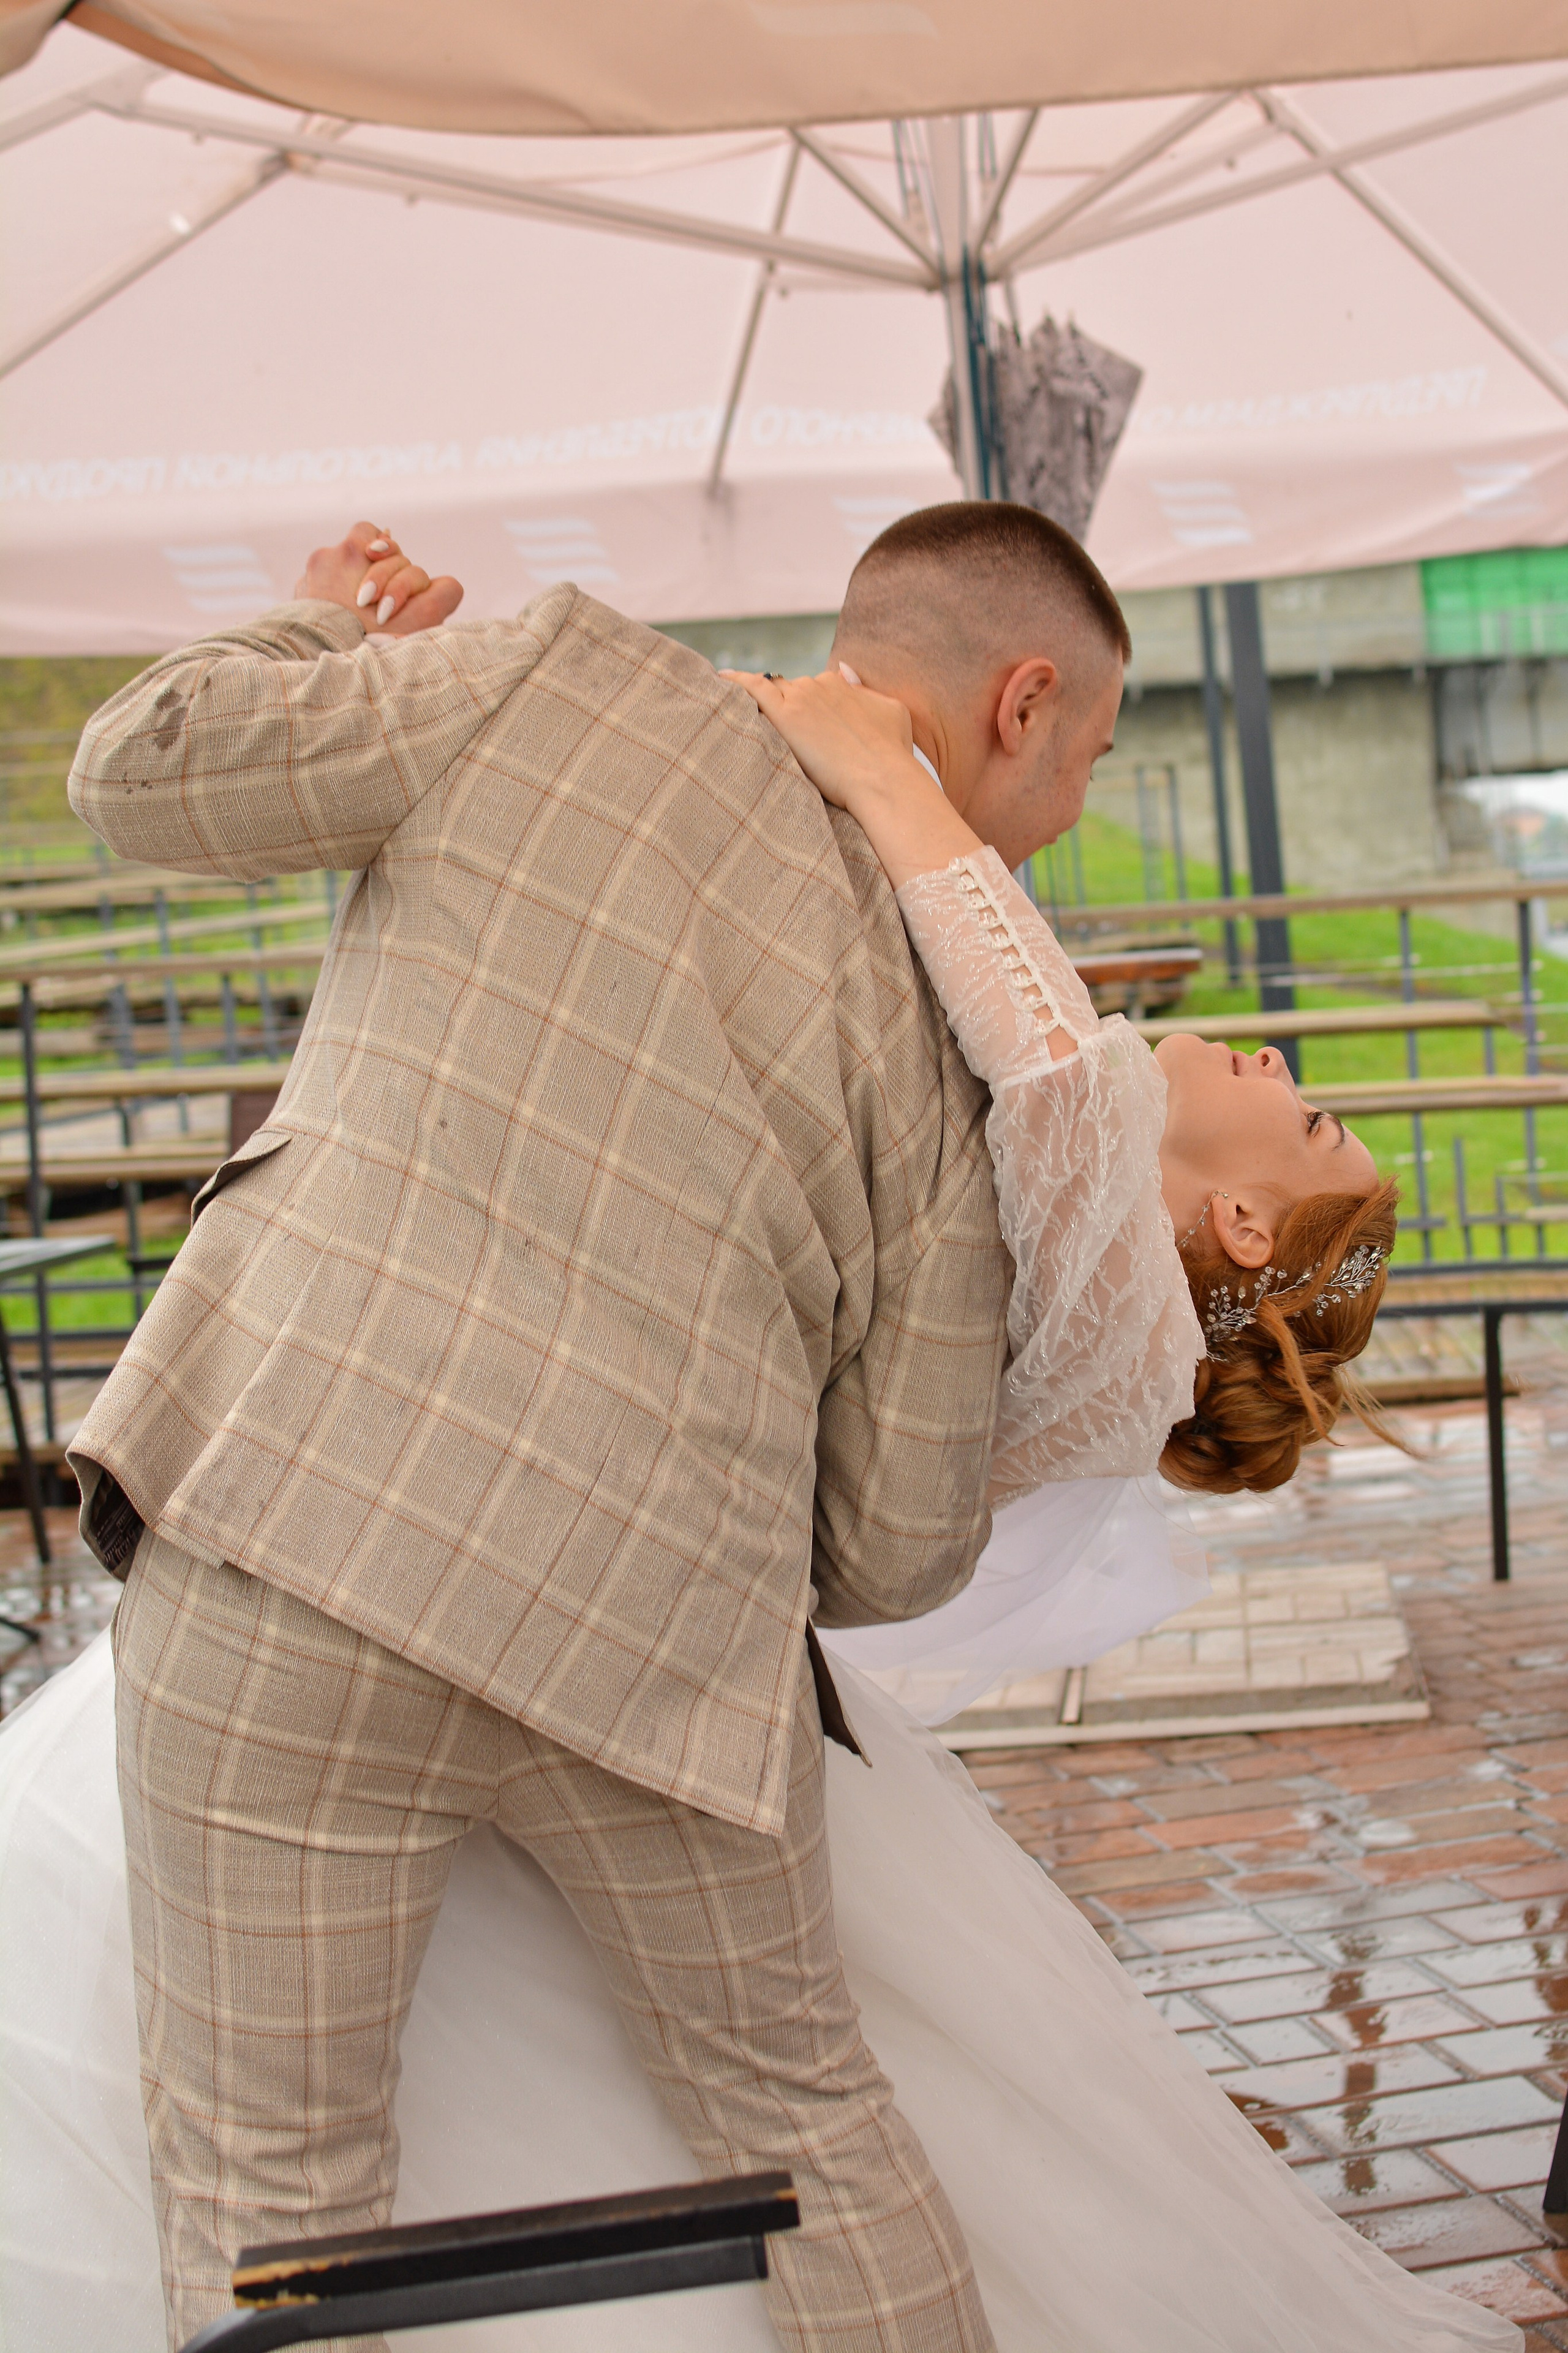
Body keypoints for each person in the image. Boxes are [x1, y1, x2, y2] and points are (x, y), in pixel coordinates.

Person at [4, 503, 1494, 2353]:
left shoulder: (547, 674)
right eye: (1095, 757)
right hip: (661, 1653)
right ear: (1023, 702)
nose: (1073, 806)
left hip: (298, 1523)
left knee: (272, 2195)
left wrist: (324, 633)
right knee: (807, 2127)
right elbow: (894, 1539)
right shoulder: (974, 1040)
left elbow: (142, 771)